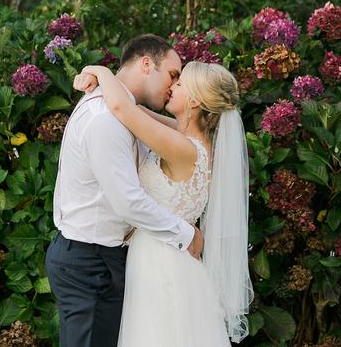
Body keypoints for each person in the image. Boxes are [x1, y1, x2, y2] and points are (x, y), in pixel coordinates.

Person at [74, 59, 254, 347]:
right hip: (171, 256)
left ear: (194, 101)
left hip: (161, 260)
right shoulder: (191, 139)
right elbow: (139, 111)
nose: (172, 86)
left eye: (180, 83)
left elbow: (123, 109)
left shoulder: (183, 148)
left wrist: (101, 71)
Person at [45, 34, 204, 347]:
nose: (173, 85)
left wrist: (100, 71)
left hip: (109, 260)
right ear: (146, 64)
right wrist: (186, 235)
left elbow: (185, 133)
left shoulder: (126, 112)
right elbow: (128, 202)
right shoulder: (105, 119)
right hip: (88, 262)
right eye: (172, 75)